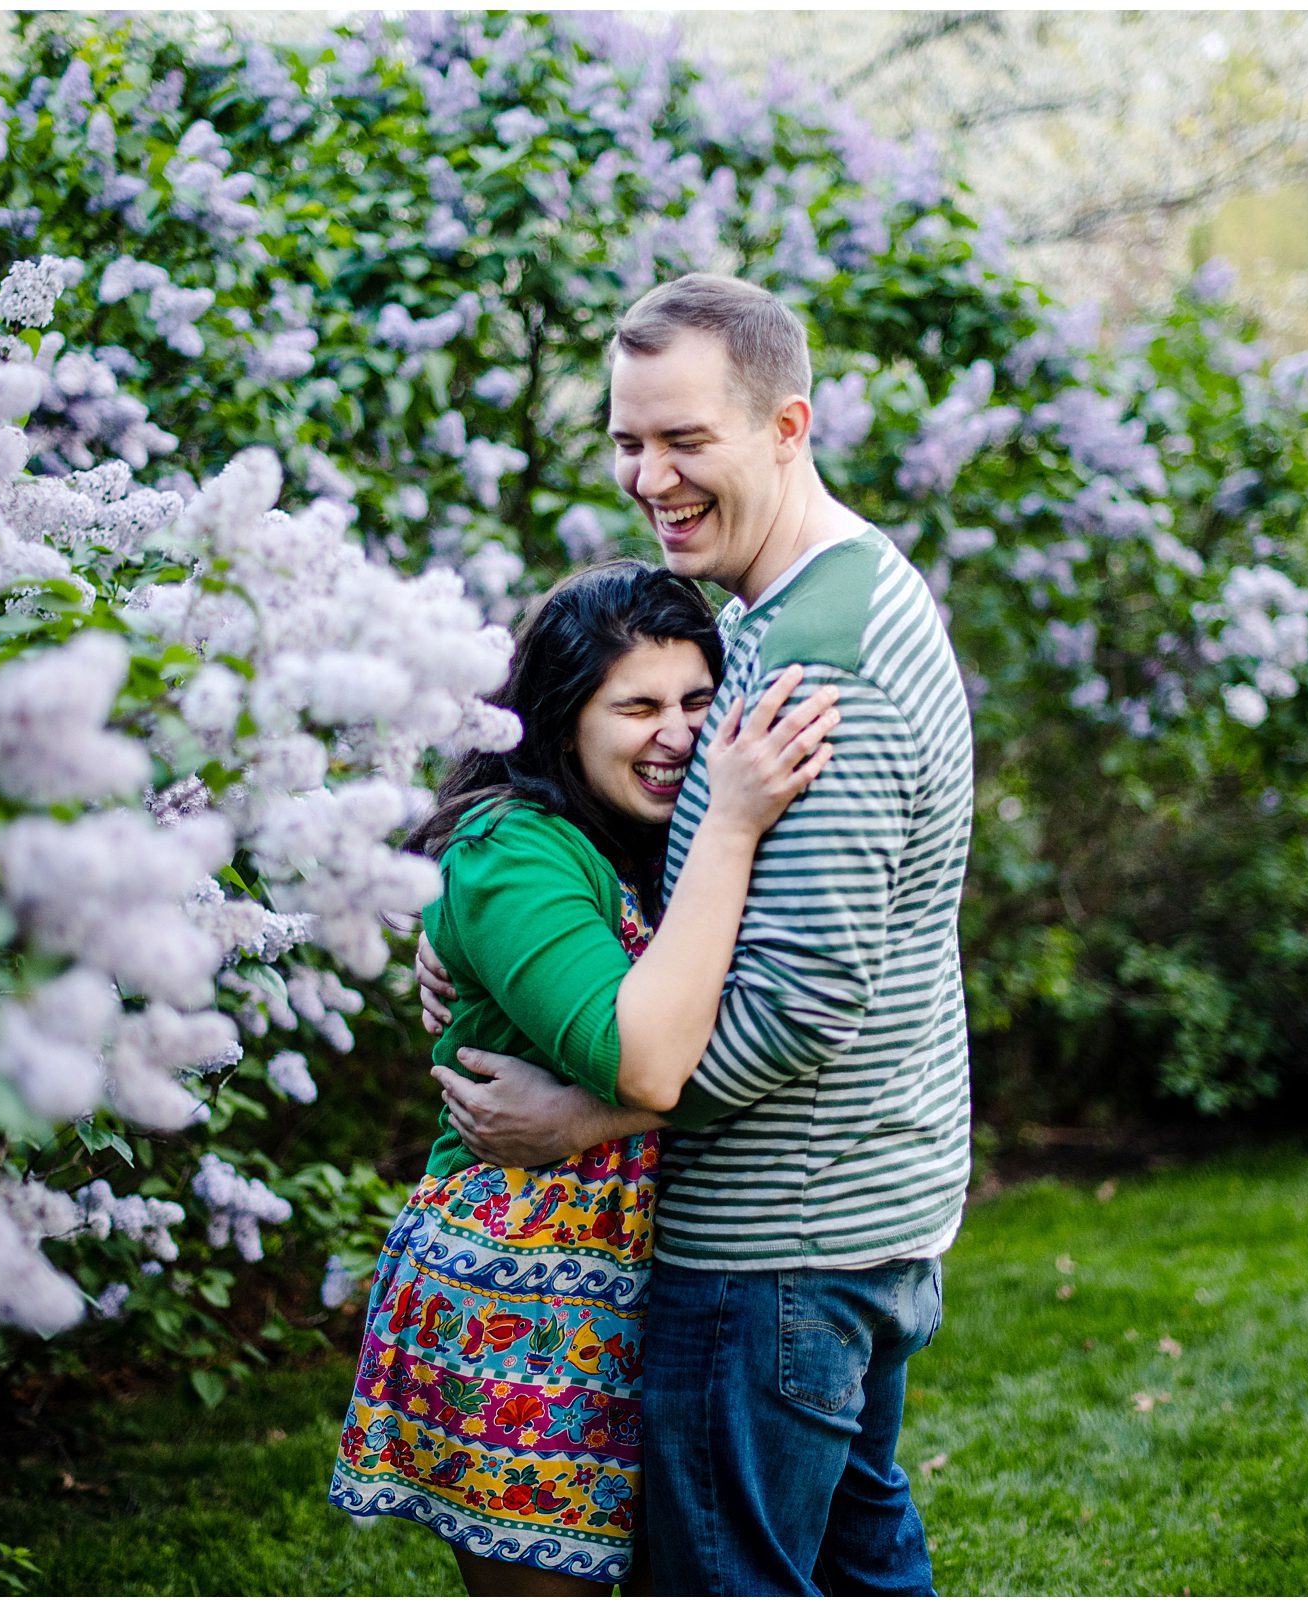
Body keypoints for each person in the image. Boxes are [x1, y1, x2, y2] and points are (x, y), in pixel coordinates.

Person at [425, 273, 977, 1595]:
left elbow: (792, 1003)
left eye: (685, 440)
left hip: (780, 1244)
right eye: (628, 440)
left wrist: (589, 1119)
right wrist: (483, 925)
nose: (649, 475)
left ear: (788, 426)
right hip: (857, 1207)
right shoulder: (796, 603)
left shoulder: (818, 673)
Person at [327, 558, 842, 1594]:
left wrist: (577, 1116)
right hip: (518, 1299)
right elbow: (644, 1054)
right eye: (638, 705)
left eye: (700, 700)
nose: (680, 733)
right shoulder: (512, 846)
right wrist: (736, 820)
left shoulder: (651, 838)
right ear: (562, 720)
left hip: (640, 1282)